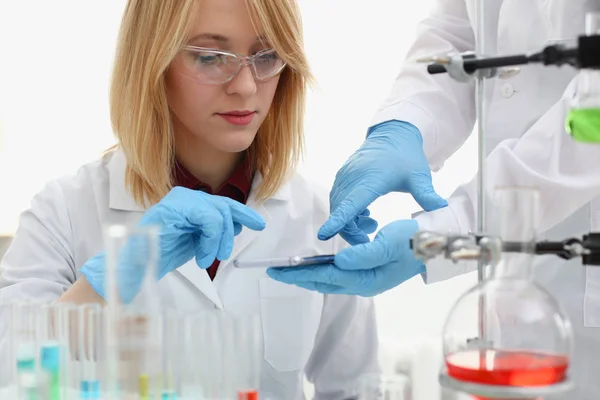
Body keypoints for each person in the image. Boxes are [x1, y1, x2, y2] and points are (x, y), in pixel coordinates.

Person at [0, 0, 379, 398]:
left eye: (267, 56)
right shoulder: (66, 210)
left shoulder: (319, 217)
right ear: (153, 61)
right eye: (211, 56)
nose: (246, 86)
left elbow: (358, 388)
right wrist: (107, 280)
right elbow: (10, 373)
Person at [267, 1, 600, 398]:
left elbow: (591, 122)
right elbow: (458, 32)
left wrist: (452, 230)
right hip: (516, 315)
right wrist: (402, 126)